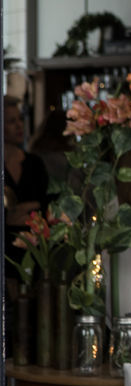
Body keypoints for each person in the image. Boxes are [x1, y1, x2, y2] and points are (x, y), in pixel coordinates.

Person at [4, 96, 50, 266]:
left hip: (34, 249)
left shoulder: (34, 164)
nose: (19, 126)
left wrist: (20, 213)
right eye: (11, 121)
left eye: (20, 119)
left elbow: (43, 205)